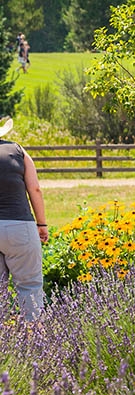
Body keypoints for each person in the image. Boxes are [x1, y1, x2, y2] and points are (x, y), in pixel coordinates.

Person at [0, 117, 47, 321]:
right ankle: (35, 340)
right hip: (19, 226)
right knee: (30, 286)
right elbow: (34, 189)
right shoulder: (17, 150)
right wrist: (42, 224)